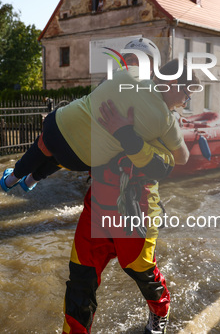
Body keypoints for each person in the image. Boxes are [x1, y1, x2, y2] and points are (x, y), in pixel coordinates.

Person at [0, 53, 192, 193]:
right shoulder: (167, 122)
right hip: (79, 160)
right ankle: (30, 181)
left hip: (58, 125)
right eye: (186, 95)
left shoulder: (132, 72)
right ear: (173, 83)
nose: (185, 102)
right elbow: (183, 158)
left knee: (46, 145)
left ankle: (11, 179)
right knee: (60, 156)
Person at [63, 100, 174, 334]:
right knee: (80, 278)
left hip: (137, 207)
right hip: (97, 206)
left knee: (141, 269)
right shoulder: (104, 104)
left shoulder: (161, 120)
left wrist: (124, 133)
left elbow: (163, 167)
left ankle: (160, 312)